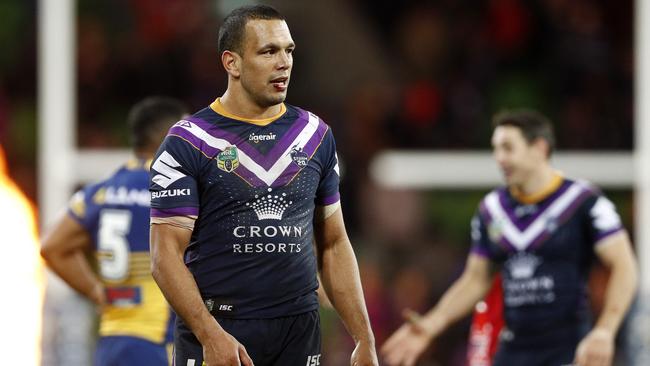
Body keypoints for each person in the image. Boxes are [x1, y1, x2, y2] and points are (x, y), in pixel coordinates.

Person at [148, 5, 377, 366]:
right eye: (269, 51)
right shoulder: (187, 142)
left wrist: (363, 337)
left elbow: (333, 244)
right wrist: (210, 334)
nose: (283, 62)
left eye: (289, 51)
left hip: (298, 332)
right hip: (221, 329)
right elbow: (165, 257)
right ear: (232, 63)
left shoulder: (316, 136)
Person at [381, 109, 638, 366]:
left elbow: (624, 265)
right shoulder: (491, 211)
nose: (499, 158)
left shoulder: (584, 202)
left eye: (508, 148)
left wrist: (605, 329)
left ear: (539, 147)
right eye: (495, 149)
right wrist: (429, 325)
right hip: (514, 351)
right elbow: (476, 278)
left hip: (568, 350)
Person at [41, 97, 188, 366]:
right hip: (155, 343)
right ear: (171, 137)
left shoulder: (103, 189)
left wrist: (97, 291)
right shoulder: (169, 190)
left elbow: (52, 246)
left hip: (111, 341)